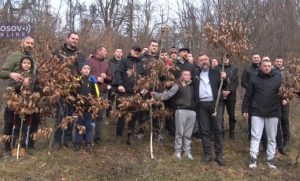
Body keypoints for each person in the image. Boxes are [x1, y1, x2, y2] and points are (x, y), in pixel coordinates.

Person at [242, 59, 284, 169]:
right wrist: (245, 109)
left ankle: (270, 159)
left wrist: (285, 99)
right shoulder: (254, 78)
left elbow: (283, 93)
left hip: (273, 111)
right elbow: (248, 95)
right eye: (264, 66)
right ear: (261, 67)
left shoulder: (278, 78)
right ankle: (253, 158)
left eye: (269, 66)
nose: (267, 68)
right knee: (255, 136)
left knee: (271, 137)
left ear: (272, 67)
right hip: (257, 111)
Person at [0, 36, 38, 155]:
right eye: (27, 42)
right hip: (14, 96)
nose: (29, 45)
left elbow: (35, 76)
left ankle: (24, 146)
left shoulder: (33, 58)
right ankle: (7, 148)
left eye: (32, 43)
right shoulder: (14, 56)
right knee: (9, 121)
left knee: (28, 122)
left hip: (28, 98)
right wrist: (11, 74)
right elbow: (2, 72)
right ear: (22, 43)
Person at [151, 70, 196, 160]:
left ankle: (187, 151)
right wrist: (156, 95)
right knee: (179, 132)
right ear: (182, 76)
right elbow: (168, 95)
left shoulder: (193, 86)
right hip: (181, 111)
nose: (187, 76)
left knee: (188, 134)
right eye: (185, 74)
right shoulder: (177, 86)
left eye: (188, 75)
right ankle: (178, 151)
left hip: (192, 112)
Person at [52, 32, 85, 149]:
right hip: (60, 88)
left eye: (77, 39)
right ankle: (56, 140)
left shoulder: (80, 55)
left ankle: (67, 140)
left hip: (74, 89)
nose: (75, 40)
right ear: (67, 39)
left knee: (70, 115)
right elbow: (52, 68)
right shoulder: (58, 52)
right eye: (73, 38)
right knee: (60, 114)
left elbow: (83, 70)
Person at [195, 54, 227, 166]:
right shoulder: (195, 74)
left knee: (217, 129)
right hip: (201, 105)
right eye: (201, 60)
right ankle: (208, 154)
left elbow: (224, 86)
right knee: (204, 130)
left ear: (208, 61)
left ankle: (219, 155)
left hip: (215, 104)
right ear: (198, 62)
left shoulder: (216, 73)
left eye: (205, 60)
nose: (203, 61)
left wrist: (224, 78)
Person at [6, 56, 40, 152]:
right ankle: (14, 146)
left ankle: (23, 147)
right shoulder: (17, 76)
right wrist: (22, 84)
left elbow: (37, 89)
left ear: (31, 65)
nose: (26, 64)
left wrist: (35, 95)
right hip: (18, 104)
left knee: (27, 126)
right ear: (21, 64)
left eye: (28, 63)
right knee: (16, 125)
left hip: (29, 105)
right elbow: (11, 89)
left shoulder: (33, 77)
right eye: (24, 62)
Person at [115, 45, 145, 145]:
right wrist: (119, 84)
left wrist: (144, 89)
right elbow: (117, 72)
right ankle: (119, 135)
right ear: (131, 50)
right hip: (124, 92)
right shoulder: (124, 61)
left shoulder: (141, 63)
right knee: (122, 114)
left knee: (134, 115)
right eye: (135, 50)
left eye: (138, 51)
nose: (137, 52)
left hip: (136, 94)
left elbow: (144, 77)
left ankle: (130, 136)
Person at [87, 46, 112, 144]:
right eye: (105, 50)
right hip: (91, 92)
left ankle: (97, 137)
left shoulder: (106, 63)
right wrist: (96, 78)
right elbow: (84, 74)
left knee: (100, 116)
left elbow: (111, 78)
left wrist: (106, 77)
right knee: (90, 114)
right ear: (98, 51)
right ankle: (88, 137)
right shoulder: (89, 61)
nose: (106, 52)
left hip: (103, 93)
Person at [74, 62, 100, 154]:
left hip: (89, 108)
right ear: (81, 70)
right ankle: (78, 142)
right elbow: (72, 92)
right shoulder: (77, 79)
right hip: (79, 107)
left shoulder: (92, 81)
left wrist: (93, 105)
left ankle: (88, 143)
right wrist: (76, 104)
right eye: (84, 68)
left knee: (88, 125)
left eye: (88, 69)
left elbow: (97, 94)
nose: (86, 70)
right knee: (79, 124)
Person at [241, 54, 261, 140]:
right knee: (251, 115)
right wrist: (250, 88)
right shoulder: (248, 69)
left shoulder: (263, 68)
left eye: (257, 58)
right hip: (251, 95)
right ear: (252, 59)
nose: (256, 59)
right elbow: (243, 81)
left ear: (260, 59)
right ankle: (250, 135)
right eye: (254, 58)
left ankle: (261, 135)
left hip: (261, 95)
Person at [273, 56, 290, 154]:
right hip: (274, 100)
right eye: (277, 61)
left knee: (285, 119)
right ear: (274, 62)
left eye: (280, 61)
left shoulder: (286, 73)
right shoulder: (272, 71)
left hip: (284, 100)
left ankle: (286, 139)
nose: (279, 63)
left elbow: (290, 86)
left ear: (282, 63)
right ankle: (276, 141)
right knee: (276, 119)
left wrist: (287, 98)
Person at [219, 57, 239, 139]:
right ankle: (221, 131)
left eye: (227, 58)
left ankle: (232, 132)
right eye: (224, 58)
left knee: (231, 114)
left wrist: (229, 91)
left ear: (229, 59)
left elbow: (236, 81)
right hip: (220, 94)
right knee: (220, 114)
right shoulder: (219, 68)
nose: (225, 60)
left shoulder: (234, 68)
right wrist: (221, 92)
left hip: (231, 95)